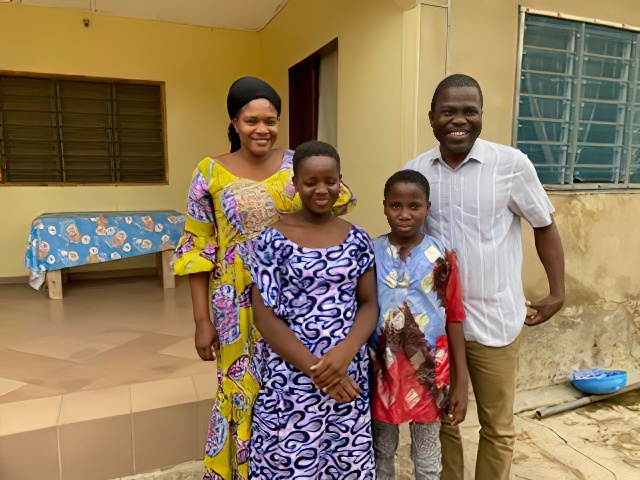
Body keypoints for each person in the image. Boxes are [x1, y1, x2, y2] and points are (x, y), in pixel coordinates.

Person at [173, 78, 356, 480]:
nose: (262, 129)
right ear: (234, 122)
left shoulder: (299, 164)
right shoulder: (209, 172)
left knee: (293, 383)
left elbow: (336, 200)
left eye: (271, 120)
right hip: (233, 303)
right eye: (252, 120)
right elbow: (196, 249)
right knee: (241, 388)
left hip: (295, 300)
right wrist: (201, 320)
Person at [405, 73, 565, 480]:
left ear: (481, 116)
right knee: (443, 420)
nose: (459, 120)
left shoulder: (511, 165)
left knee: (497, 426)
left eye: (469, 111)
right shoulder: (416, 171)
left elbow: (543, 224)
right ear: (431, 118)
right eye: (448, 112)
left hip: (496, 318)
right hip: (437, 325)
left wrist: (557, 291)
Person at [249, 140, 379, 479]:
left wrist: (344, 355)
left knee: (345, 463)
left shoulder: (357, 239)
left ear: (341, 181)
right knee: (291, 464)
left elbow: (369, 304)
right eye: (311, 182)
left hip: (348, 374)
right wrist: (318, 370)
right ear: (295, 183)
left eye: (330, 181)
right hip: (292, 377)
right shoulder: (271, 240)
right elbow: (265, 317)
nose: (322, 190)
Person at [370, 170, 468, 480]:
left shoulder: (442, 256)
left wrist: (461, 383)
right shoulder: (370, 252)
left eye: (414, 206)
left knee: (426, 455)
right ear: (384, 206)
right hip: (380, 369)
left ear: (427, 208)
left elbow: (454, 316)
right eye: (396, 206)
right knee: (380, 450)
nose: (404, 214)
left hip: (428, 371)